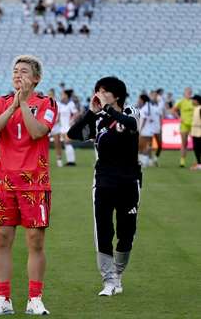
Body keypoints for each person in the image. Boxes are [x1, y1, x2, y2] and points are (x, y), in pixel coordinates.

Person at [0, 55, 57, 316]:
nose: (18, 75)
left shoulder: (47, 103)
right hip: (4, 182)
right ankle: (2, 297)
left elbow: (38, 131)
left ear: (36, 78)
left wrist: (24, 103)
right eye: (15, 71)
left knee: (35, 241)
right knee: (2, 238)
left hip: (35, 183)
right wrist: (13, 105)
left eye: (24, 71)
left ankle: (35, 298)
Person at [67, 77, 141, 296]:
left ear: (116, 95)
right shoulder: (97, 120)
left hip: (129, 181)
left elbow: (131, 126)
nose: (99, 94)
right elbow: (73, 135)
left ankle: (118, 273)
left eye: (104, 91)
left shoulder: (130, 111)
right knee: (104, 230)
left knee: (127, 231)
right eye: (97, 90)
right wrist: (91, 112)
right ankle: (108, 280)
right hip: (103, 181)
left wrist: (108, 109)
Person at [171, 87, 195, 167]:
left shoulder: (194, 102)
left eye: (190, 92)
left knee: (197, 143)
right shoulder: (181, 101)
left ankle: (198, 161)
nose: (189, 94)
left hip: (193, 125)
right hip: (184, 125)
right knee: (184, 143)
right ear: (184, 93)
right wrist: (178, 117)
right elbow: (173, 110)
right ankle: (182, 161)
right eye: (188, 92)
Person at [57, 89, 78, 166]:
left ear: (66, 95)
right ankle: (70, 161)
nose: (61, 96)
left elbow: (76, 113)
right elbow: (58, 116)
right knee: (66, 144)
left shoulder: (70, 104)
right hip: (62, 127)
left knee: (67, 142)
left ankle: (71, 161)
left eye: (62, 94)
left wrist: (72, 121)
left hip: (68, 126)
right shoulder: (59, 104)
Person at [190, 96, 201, 170]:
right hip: (195, 131)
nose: (192, 101)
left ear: (197, 101)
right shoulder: (195, 108)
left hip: (200, 131)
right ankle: (199, 163)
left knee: (198, 148)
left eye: (193, 100)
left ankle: (199, 164)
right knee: (196, 148)